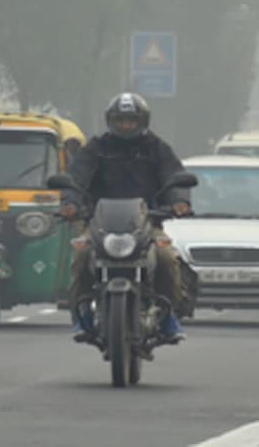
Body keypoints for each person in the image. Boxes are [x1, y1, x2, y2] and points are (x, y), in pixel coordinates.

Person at [58, 92, 192, 347]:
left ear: (142, 121)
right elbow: (76, 177)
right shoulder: (97, 147)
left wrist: (179, 201)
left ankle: (168, 317)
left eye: (131, 121)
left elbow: (174, 175)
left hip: (147, 223)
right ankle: (82, 314)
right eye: (120, 121)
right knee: (81, 256)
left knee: (166, 259)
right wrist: (70, 203)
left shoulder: (156, 148)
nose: (126, 126)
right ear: (111, 121)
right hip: (100, 225)